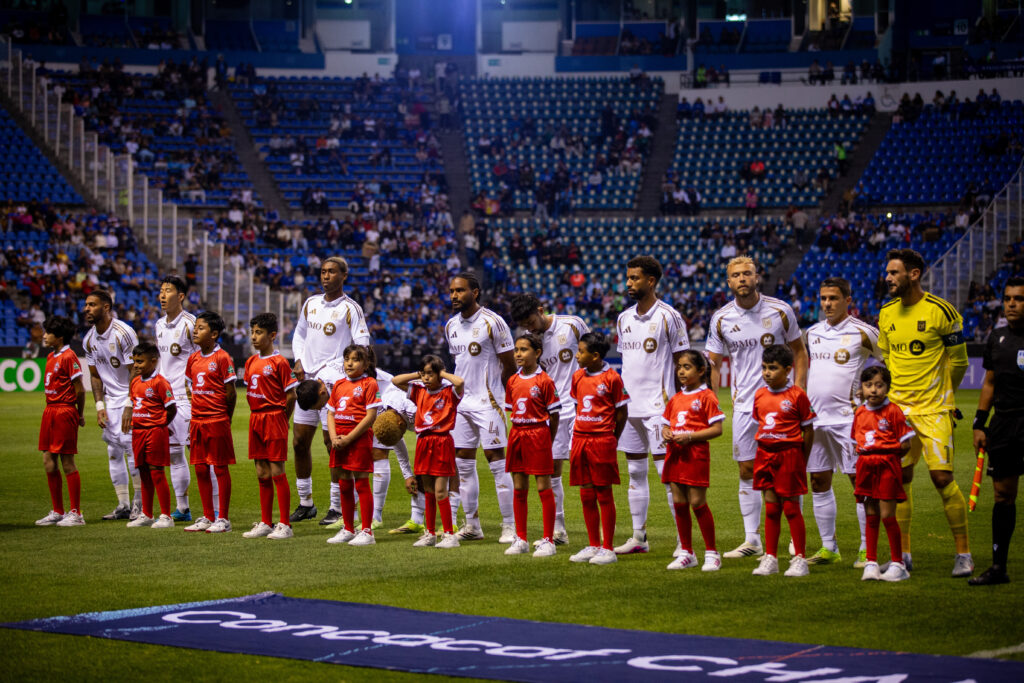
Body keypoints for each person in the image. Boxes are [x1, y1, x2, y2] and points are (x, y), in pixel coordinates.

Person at [878, 248, 972, 577]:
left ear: (913, 274)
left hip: (933, 409)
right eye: (887, 273)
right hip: (898, 412)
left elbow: (958, 360)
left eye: (894, 273)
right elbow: (887, 361)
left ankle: (963, 554)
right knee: (900, 480)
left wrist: (946, 395)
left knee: (941, 477)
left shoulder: (941, 311)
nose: (888, 278)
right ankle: (902, 553)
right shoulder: (886, 313)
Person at [706, 257, 806, 559]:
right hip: (745, 405)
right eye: (735, 275)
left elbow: (799, 353)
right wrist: (710, 399)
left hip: (781, 404)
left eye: (747, 273)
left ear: (757, 277)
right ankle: (752, 539)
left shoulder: (780, 311)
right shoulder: (721, 318)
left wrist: (799, 389)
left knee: (788, 471)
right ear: (728, 282)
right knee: (747, 469)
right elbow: (713, 362)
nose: (742, 279)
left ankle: (793, 537)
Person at [614, 255, 689, 555]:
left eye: (634, 278)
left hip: (660, 409)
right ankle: (639, 538)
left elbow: (683, 362)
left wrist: (682, 405)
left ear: (651, 281)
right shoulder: (623, 319)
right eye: (628, 278)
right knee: (634, 473)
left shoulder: (669, 316)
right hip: (630, 411)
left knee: (668, 477)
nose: (629, 283)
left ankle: (684, 543)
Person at [805, 277, 882, 567]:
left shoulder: (864, 333)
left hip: (850, 421)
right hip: (816, 421)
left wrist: (874, 393)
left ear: (848, 300)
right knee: (818, 481)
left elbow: (890, 363)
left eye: (834, 298)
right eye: (824, 298)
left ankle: (866, 549)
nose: (827, 304)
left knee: (859, 484)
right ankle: (829, 548)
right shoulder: (812, 333)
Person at [291, 257, 370, 525]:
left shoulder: (351, 309)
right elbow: (299, 334)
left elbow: (362, 348)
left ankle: (337, 506)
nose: (326, 276)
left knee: (332, 445)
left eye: (332, 272)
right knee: (299, 442)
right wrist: (299, 359)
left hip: (333, 386)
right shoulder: (310, 303)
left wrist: (337, 370)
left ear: (344, 275)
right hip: (308, 384)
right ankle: (306, 503)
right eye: (323, 272)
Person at [510, 293, 590, 545]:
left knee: (588, 473)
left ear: (541, 310)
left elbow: (592, 354)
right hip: (552, 413)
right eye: (524, 324)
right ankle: (559, 530)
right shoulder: (530, 343)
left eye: (531, 320)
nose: (529, 327)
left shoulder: (573, 324)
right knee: (553, 472)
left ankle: (598, 539)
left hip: (580, 410)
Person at [445, 272, 517, 543]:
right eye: (452, 291)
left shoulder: (493, 322)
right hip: (463, 403)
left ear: (475, 292)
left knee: (497, 462)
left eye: (460, 290)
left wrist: (499, 397)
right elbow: (459, 365)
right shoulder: (450, 326)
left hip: (489, 402)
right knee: (463, 463)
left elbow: (509, 365)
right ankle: (472, 525)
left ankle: (509, 526)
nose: (454, 295)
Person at [970, 277, 1024, 585]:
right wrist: (980, 423)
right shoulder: (997, 337)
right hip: (1004, 423)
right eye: (1007, 299)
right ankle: (998, 567)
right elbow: (989, 383)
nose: (1012, 304)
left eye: (1018, 299)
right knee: (1003, 496)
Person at [751, 345, 816, 577]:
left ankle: (799, 558)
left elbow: (808, 430)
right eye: (764, 368)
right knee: (770, 507)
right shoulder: (759, 395)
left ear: (788, 370)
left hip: (789, 454)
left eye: (773, 368)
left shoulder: (797, 395)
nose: (767, 373)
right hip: (765, 454)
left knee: (790, 506)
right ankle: (771, 557)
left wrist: (802, 458)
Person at [660, 350, 725, 571]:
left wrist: (690, 437)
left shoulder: (706, 396)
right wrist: (666, 432)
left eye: (687, 367)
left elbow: (717, 429)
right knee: (679, 503)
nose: (681, 371)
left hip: (695, 454)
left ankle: (712, 552)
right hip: (676, 454)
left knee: (697, 503)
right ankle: (687, 552)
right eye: (679, 366)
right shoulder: (676, 398)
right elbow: (666, 423)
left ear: (701, 370)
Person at [392, 356, 465, 549]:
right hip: (424, 442)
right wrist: (419, 374)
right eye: (423, 374)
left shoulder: (449, 392)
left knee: (441, 491)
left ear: (439, 375)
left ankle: (449, 535)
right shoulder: (419, 391)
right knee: (430, 492)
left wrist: (441, 373)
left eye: (430, 374)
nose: (425, 378)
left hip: (441, 441)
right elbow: (396, 381)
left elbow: (460, 382)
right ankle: (430, 533)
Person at [568, 332, 629, 566]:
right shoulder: (577, 377)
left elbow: (622, 412)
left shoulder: (612, 378)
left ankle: (608, 548)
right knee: (586, 492)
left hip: (602, 440)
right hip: (580, 438)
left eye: (581, 351)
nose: (577, 355)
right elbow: (577, 407)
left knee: (604, 492)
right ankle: (593, 544)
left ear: (595, 356)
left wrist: (613, 438)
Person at [83, 289, 142, 520]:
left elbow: (135, 370)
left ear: (106, 307)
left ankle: (139, 505)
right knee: (113, 452)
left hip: (129, 400)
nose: (87, 309)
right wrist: (99, 406)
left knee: (131, 451)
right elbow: (95, 376)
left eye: (92, 305)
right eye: (86, 305)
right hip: (110, 403)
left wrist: (130, 403)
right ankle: (123, 505)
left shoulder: (123, 333)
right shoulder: (89, 339)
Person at [852, 366, 914, 582]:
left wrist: (889, 453)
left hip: (887, 466)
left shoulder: (894, 411)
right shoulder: (859, 412)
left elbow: (906, 443)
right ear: (862, 388)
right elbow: (855, 441)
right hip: (866, 467)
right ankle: (871, 562)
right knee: (871, 514)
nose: (874, 390)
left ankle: (898, 563)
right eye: (869, 385)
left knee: (887, 515)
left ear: (887, 387)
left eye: (879, 385)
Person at [502, 333, 561, 557]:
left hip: (538, 434)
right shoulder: (512, 381)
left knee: (543, 487)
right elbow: (511, 411)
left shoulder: (544, 381)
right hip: (517, 434)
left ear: (537, 353)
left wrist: (548, 439)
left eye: (524, 349)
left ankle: (548, 540)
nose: (518, 354)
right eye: (516, 349)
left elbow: (554, 415)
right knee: (518, 488)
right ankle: (521, 538)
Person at [241, 313, 298, 540]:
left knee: (277, 472)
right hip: (256, 418)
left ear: (272, 335)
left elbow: (291, 395)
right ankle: (266, 521)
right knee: (261, 472)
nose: (254, 337)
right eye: (252, 332)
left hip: (274, 417)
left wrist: (283, 418)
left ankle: (285, 524)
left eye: (259, 333)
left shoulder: (280, 362)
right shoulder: (250, 362)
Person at [183, 311, 237, 534]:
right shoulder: (193, 359)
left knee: (220, 468)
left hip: (216, 419)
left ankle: (222, 518)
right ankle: (207, 516)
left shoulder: (223, 358)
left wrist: (226, 417)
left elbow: (231, 393)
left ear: (214, 334)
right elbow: (189, 387)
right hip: (197, 420)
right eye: (195, 327)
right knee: (201, 468)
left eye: (201, 327)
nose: (195, 330)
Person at [324, 345, 381, 546]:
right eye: (347, 358)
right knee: (343, 482)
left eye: (355, 359)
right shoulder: (339, 384)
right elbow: (330, 413)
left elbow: (371, 416)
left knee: (361, 482)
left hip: (358, 439)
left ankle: (367, 531)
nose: (349, 363)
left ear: (365, 364)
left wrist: (349, 438)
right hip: (339, 439)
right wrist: (333, 437)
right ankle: (348, 528)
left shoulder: (369, 383)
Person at [35, 316, 86, 527]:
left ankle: (76, 513)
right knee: (48, 461)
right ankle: (58, 510)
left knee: (67, 462)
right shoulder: (50, 356)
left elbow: (80, 388)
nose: (44, 335)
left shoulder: (69, 356)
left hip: (65, 411)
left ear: (59, 336)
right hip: (50, 411)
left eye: (48, 332)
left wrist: (79, 413)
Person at [154, 275, 198, 522]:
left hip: (188, 398)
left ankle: (215, 511)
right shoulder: (159, 325)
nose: (162, 295)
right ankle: (183, 508)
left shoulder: (192, 324)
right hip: (167, 399)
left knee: (199, 453)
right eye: (161, 290)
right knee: (173, 453)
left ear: (180, 296)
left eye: (168, 290)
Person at [124, 342, 177, 529]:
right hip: (137, 432)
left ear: (153, 361)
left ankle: (166, 515)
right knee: (143, 472)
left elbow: (171, 408)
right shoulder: (135, 382)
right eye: (135, 361)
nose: (136, 365)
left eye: (140, 361)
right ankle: (146, 513)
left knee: (157, 472)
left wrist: (161, 424)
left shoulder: (160, 382)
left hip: (155, 431)